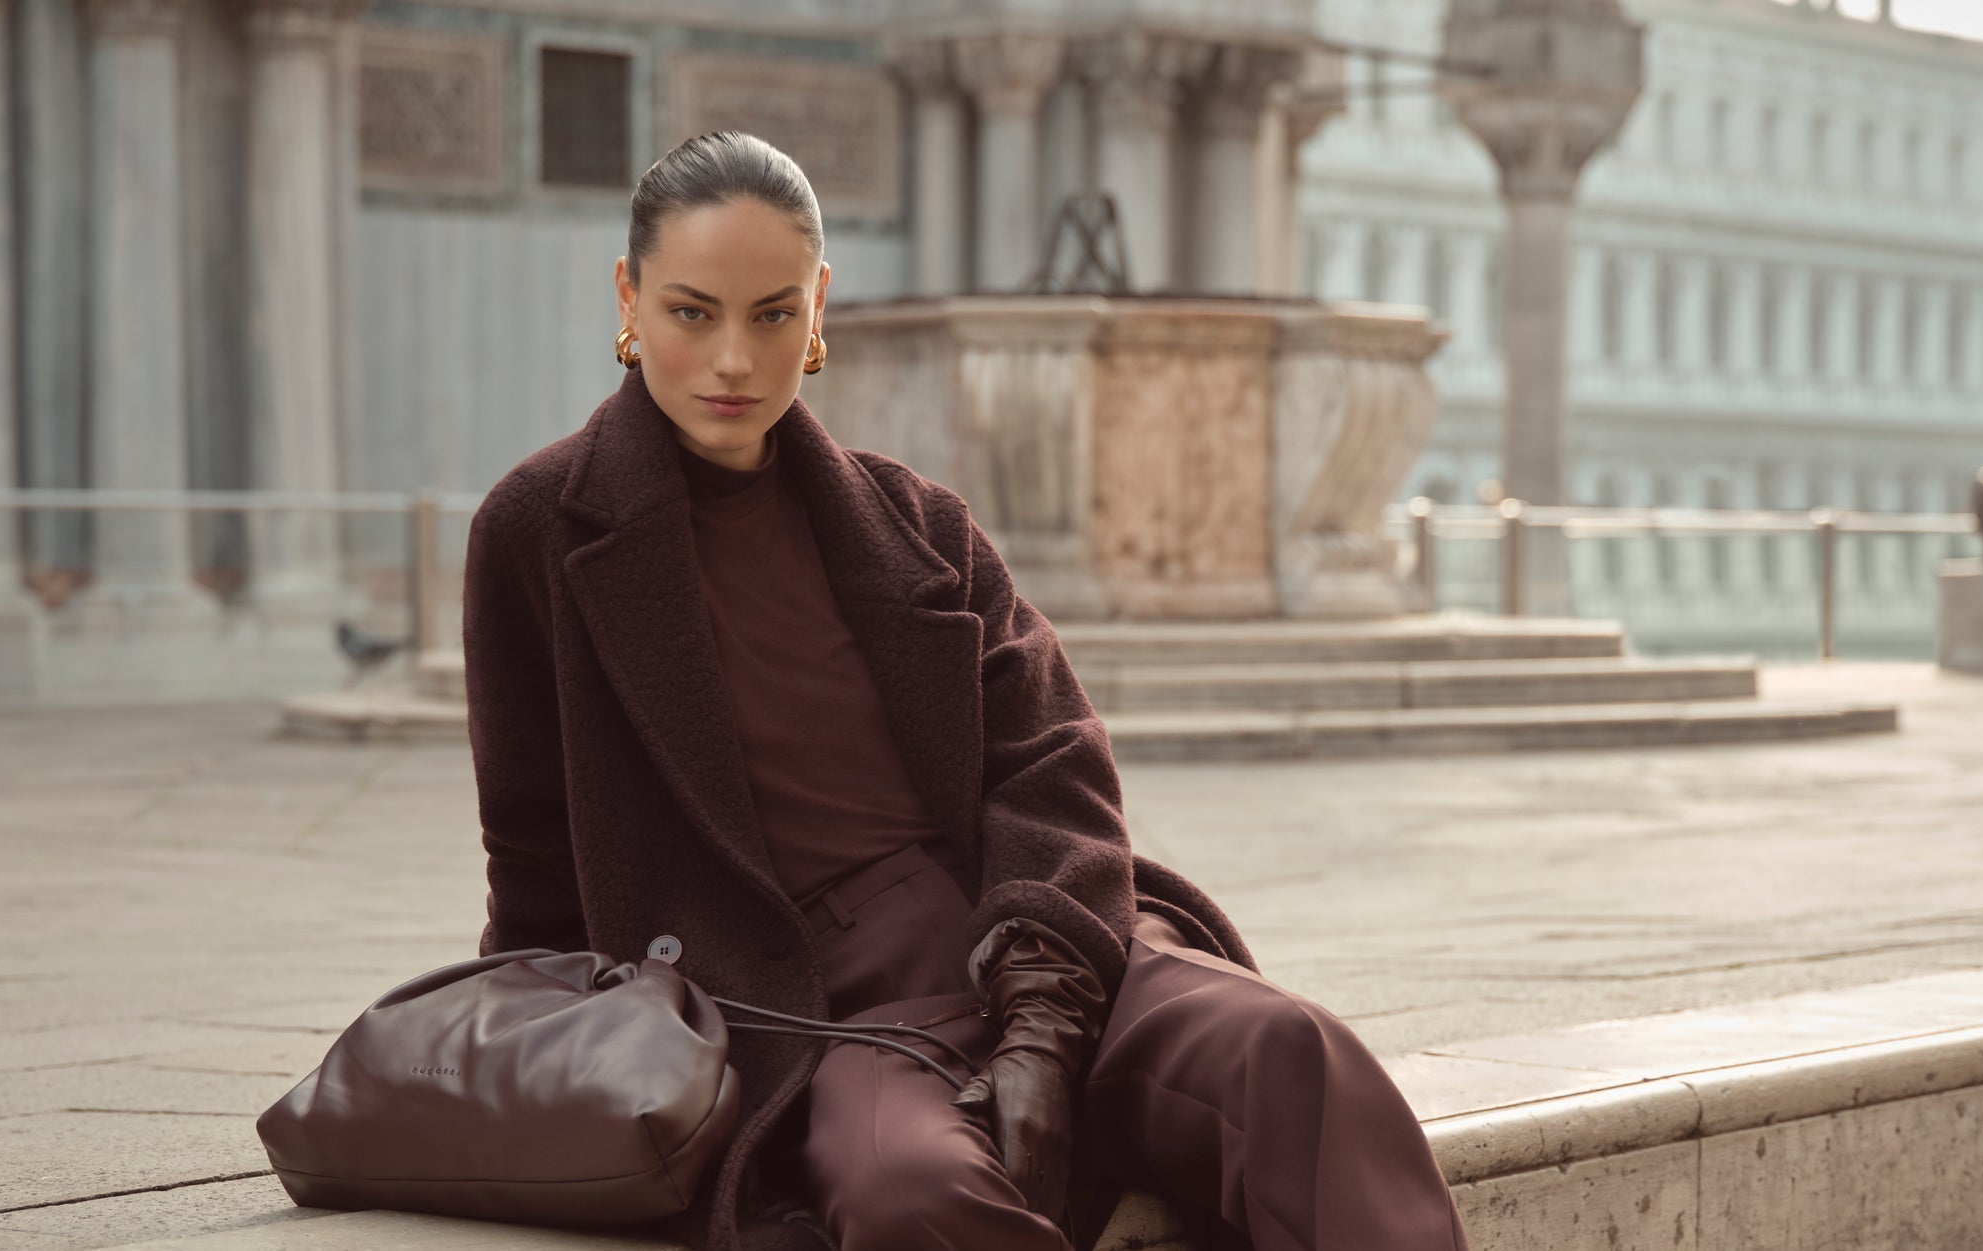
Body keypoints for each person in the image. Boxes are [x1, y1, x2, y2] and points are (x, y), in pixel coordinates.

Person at [461, 129, 1468, 1251]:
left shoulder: (912, 519)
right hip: (821, 1011)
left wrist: (1041, 1020)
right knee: (910, 1199)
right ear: (629, 297)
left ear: (819, 308)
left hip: (1035, 938)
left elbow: (1051, 755)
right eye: (693, 313)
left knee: (1290, 1053)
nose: (735, 362)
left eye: (772, 314)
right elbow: (535, 856)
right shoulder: (539, 530)